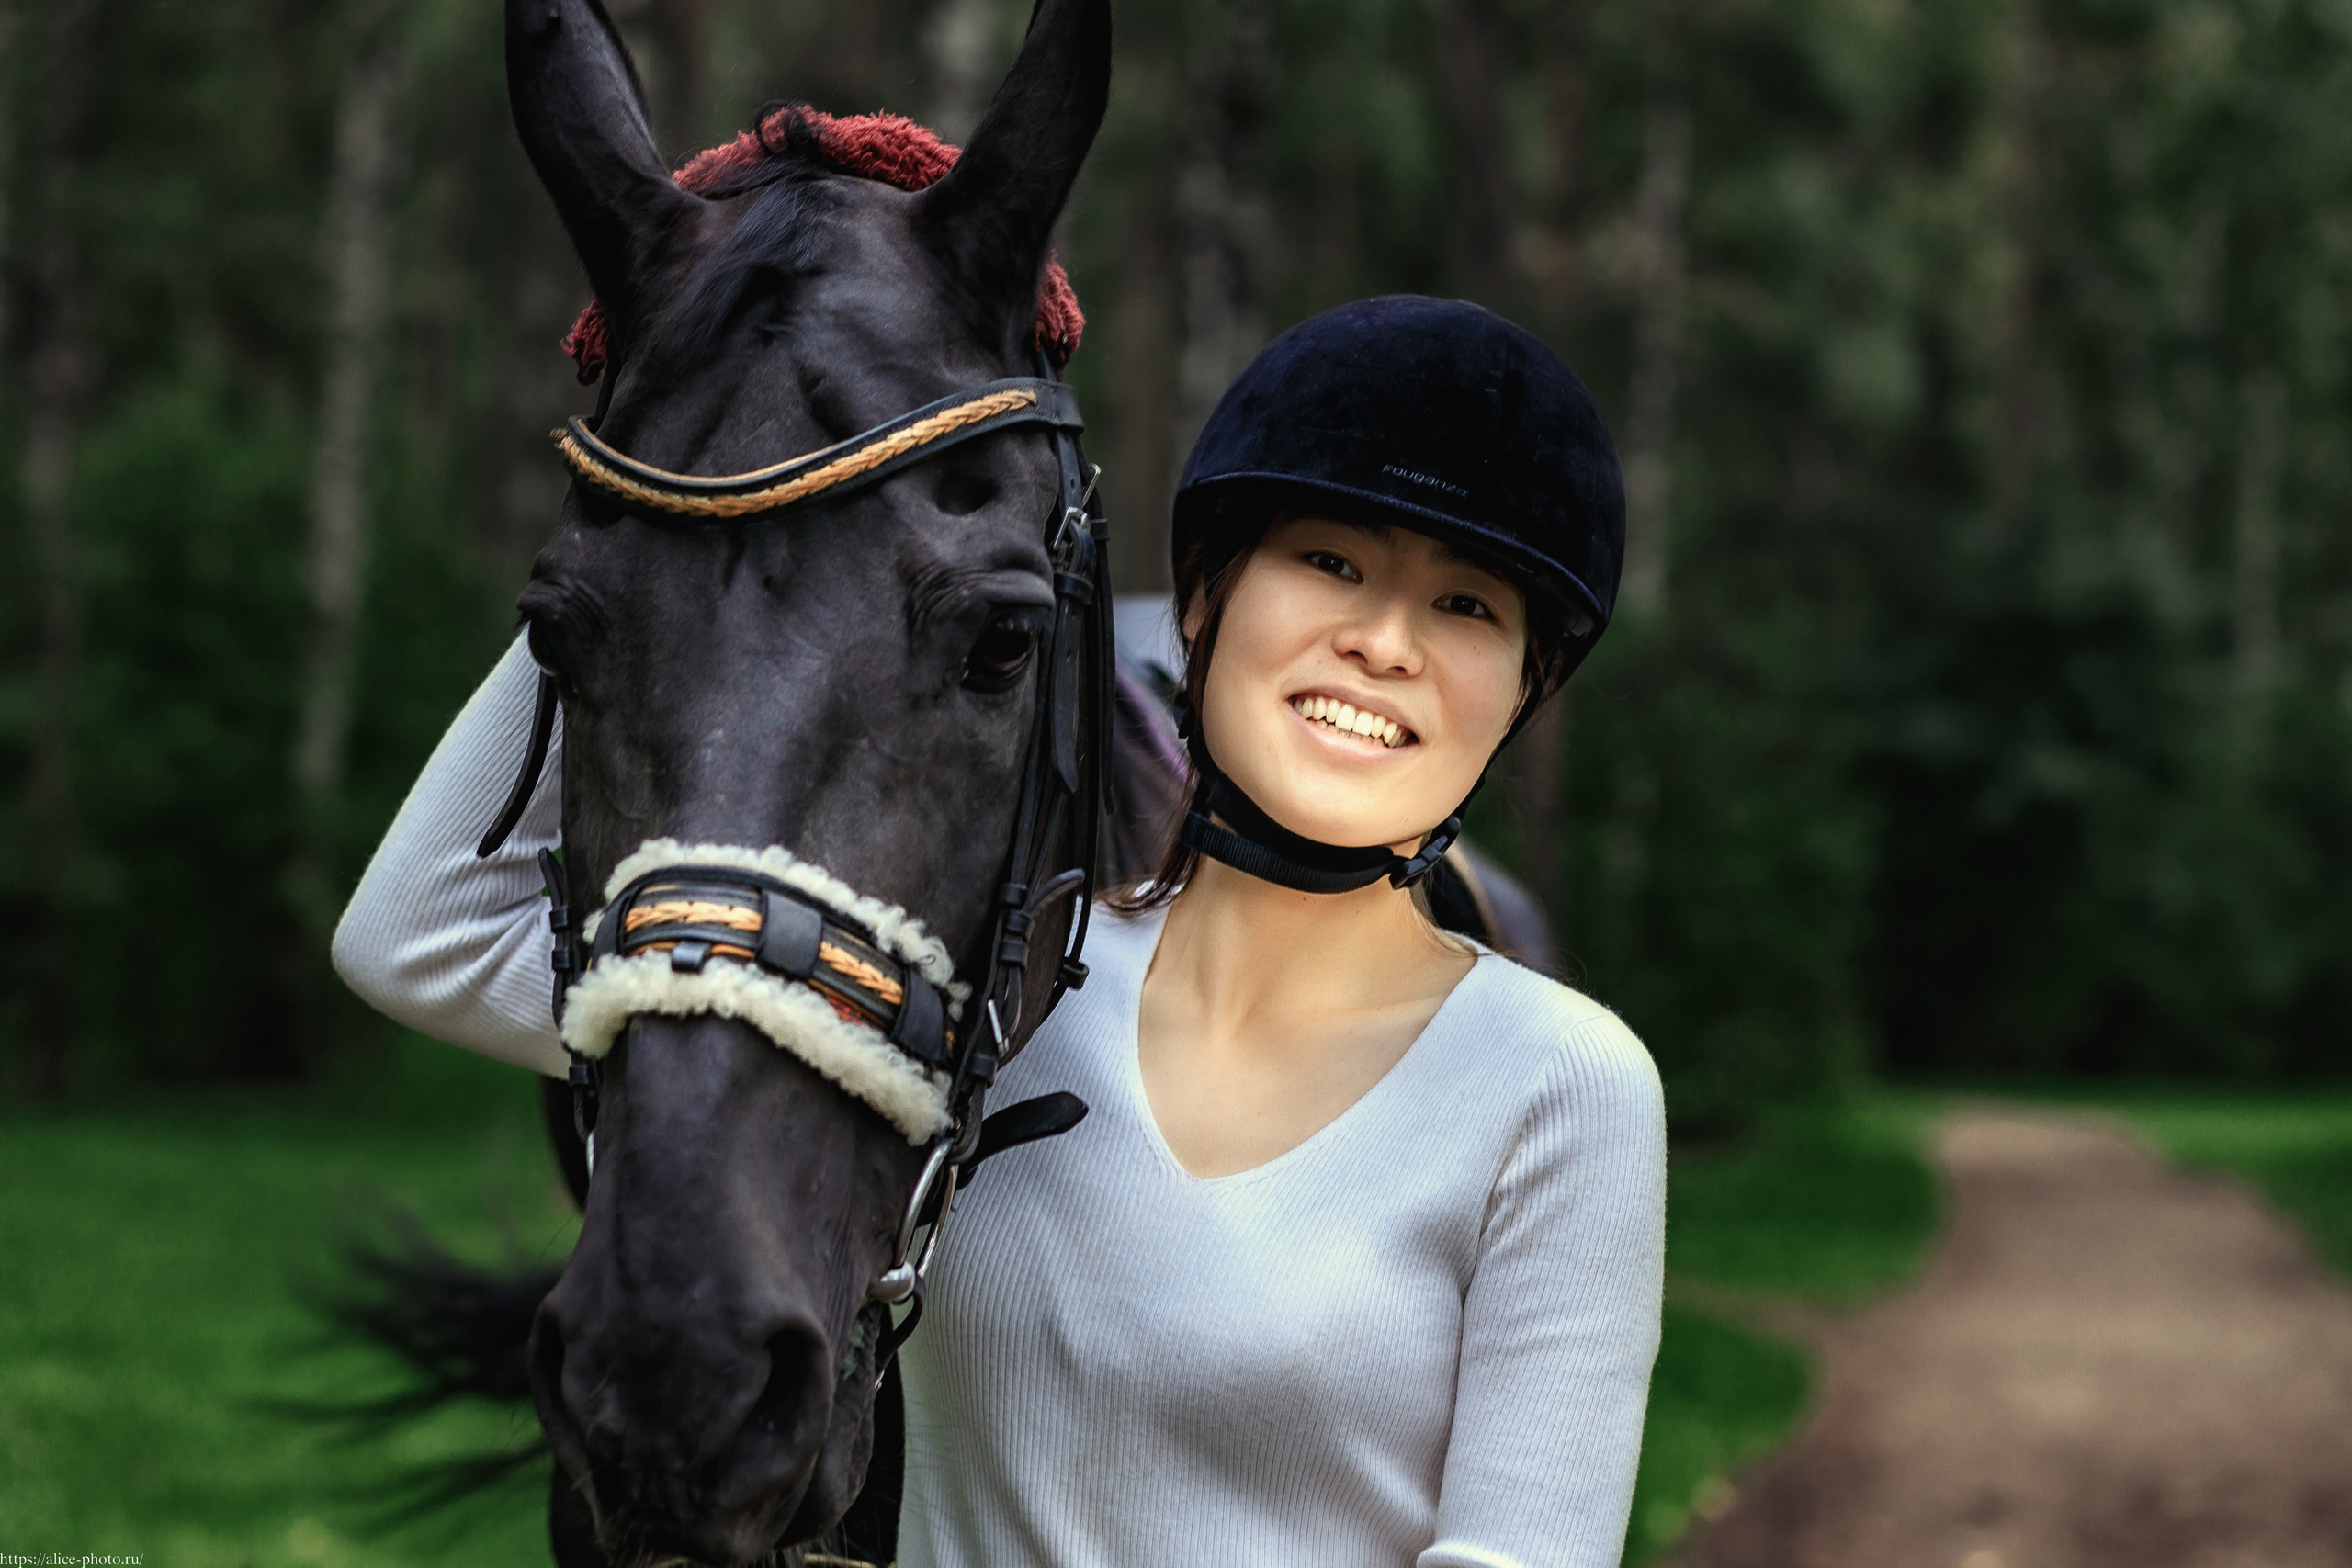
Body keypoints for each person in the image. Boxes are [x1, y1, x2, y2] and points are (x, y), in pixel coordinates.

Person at [334, 294, 1663, 1568]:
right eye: (1330, 562)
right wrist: (666, 506)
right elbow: (422, 934)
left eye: (1468, 605)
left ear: (1525, 687)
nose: (1383, 641)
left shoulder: (1562, 1087)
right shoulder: (985, 1003)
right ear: (1201, 597)